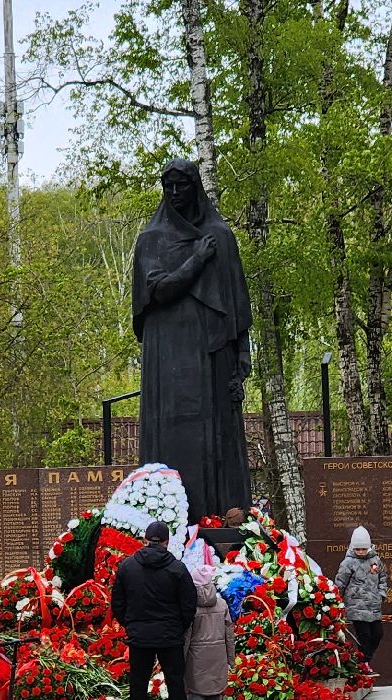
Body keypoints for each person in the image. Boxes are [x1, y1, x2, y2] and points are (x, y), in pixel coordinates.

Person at [131, 159, 254, 521]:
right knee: (170, 434)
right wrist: (196, 260)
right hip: (167, 354)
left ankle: (222, 516)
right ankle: (162, 519)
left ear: (195, 187)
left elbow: (237, 306)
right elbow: (157, 290)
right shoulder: (151, 240)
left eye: (181, 185)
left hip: (211, 354)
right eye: (168, 186)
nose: (174, 193)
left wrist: (241, 359)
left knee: (216, 433)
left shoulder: (220, 237)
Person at [111, 520, 197, 700]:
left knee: (138, 684)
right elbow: (189, 604)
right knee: (175, 683)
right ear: (167, 542)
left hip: (139, 635)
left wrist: (130, 624)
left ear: (145, 540)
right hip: (170, 634)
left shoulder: (127, 567)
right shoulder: (177, 568)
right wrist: (179, 626)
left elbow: (117, 602)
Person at [183, 561, 233, 700]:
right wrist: (231, 658)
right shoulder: (222, 604)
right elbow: (229, 634)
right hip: (218, 654)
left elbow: (186, 637)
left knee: (195, 694)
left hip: (196, 655)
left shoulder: (190, 607)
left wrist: (180, 660)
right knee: (215, 693)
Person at [335, 527, 388, 666]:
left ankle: (363, 661)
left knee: (377, 634)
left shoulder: (375, 560)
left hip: (373, 605)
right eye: (357, 549)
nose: (360, 552)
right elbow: (340, 583)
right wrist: (337, 601)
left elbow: (382, 577)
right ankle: (363, 663)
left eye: (363, 549)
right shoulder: (347, 563)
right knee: (364, 636)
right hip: (356, 605)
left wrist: (381, 594)